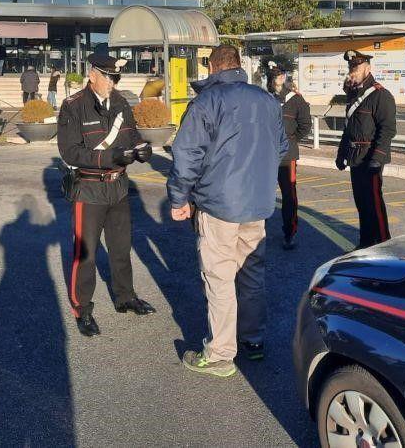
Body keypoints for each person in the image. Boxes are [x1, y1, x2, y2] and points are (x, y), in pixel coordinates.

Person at [167, 44, 287, 377]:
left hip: (219, 204)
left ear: (213, 67)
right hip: (257, 205)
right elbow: (280, 148)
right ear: (237, 66)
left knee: (219, 277)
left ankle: (220, 353)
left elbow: (186, 155)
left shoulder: (206, 102)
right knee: (251, 273)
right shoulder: (267, 101)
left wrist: (178, 199)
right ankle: (253, 339)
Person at [57, 53, 155, 337]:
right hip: (89, 188)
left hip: (118, 188)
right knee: (85, 254)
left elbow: (131, 135)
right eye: (108, 77)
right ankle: (82, 308)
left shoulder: (121, 102)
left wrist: (141, 148)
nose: (113, 82)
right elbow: (70, 152)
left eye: (115, 77)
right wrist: (110, 157)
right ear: (92, 75)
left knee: (121, 248)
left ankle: (125, 297)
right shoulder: (73, 106)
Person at [336, 50, 396, 249]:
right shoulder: (353, 94)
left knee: (374, 204)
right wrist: (341, 153)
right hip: (355, 156)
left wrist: (377, 158)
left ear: (367, 68)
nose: (352, 71)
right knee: (361, 203)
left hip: (370, 156)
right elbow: (350, 127)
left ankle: (383, 244)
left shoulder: (380, 95)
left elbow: (387, 129)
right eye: (351, 67)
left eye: (356, 67)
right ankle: (366, 242)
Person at [266, 62, 312, 250]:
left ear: (284, 77)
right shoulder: (264, 98)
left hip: (287, 155)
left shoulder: (295, 100)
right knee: (261, 193)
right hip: (265, 154)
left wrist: (290, 140)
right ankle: (257, 230)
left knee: (289, 195)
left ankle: (289, 232)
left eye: (279, 75)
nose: (276, 78)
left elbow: (305, 126)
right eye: (273, 75)